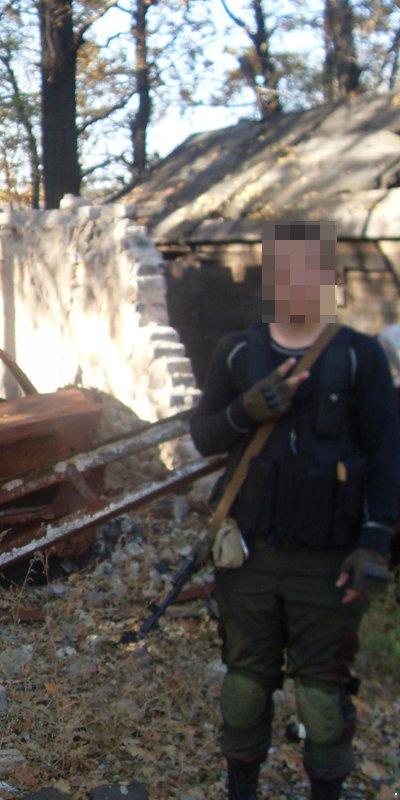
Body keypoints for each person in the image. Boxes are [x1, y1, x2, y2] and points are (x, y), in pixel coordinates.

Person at [189, 221, 400, 800]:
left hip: (328, 562)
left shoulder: (360, 357)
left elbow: (388, 456)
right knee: (245, 686)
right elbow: (204, 436)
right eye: (288, 271)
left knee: (321, 695)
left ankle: (327, 789)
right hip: (249, 555)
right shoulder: (236, 351)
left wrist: (375, 543)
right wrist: (246, 410)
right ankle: (242, 788)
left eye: (314, 271)